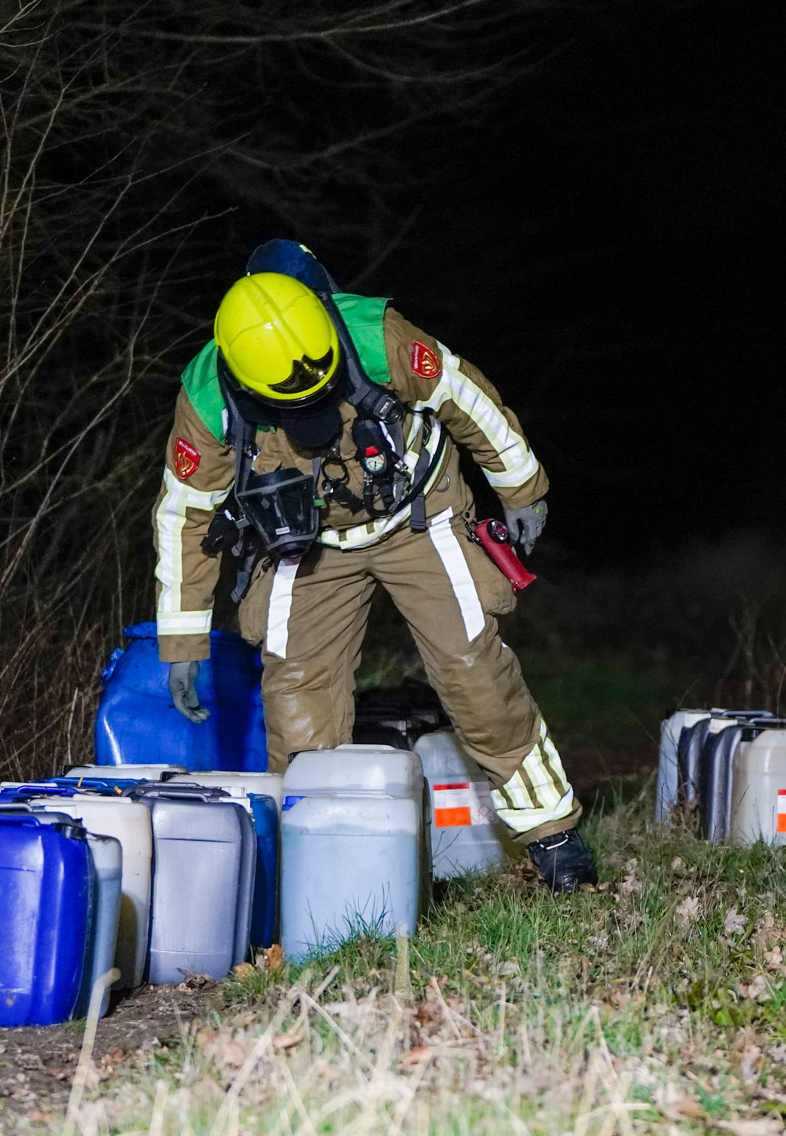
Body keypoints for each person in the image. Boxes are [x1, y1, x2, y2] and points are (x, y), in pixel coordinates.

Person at [150, 240, 595, 891]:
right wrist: (182, 638)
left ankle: (551, 832)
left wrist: (520, 484)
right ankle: (320, 873)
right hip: (304, 542)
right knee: (295, 698)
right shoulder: (207, 397)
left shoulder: (375, 335)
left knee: (472, 668)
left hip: (417, 510)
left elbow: (465, 396)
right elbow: (185, 517)